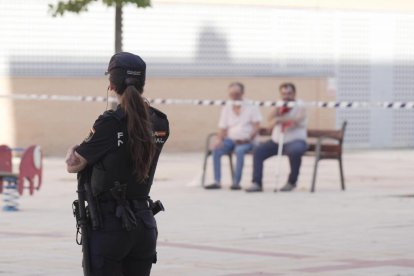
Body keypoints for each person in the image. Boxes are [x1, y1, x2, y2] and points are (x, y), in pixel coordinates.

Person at [65, 52, 169, 276]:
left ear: (111, 85)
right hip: (144, 224)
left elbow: (74, 165)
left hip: (111, 228)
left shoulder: (109, 124)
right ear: (143, 84)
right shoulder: (160, 123)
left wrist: (72, 150)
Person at [245, 83, 307, 192]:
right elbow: (270, 119)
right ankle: (256, 183)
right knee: (258, 151)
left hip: (295, 140)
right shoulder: (279, 105)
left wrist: (280, 119)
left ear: (294, 94)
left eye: (289, 93)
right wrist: (278, 109)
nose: (286, 96)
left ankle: (291, 182)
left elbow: (297, 119)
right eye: (284, 94)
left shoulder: (300, 105)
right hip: (277, 141)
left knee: (295, 151)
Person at [205, 82, 262, 190]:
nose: (234, 96)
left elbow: (256, 126)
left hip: (248, 141)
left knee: (239, 151)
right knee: (216, 149)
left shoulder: (252, 106)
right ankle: (217, 181)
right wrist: (218, 139)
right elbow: (222, 127)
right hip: (231, 139)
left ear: (242, 93)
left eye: (236, 94)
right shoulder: (227, 107)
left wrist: (248, 138)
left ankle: (236, 183)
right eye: (231, 94)